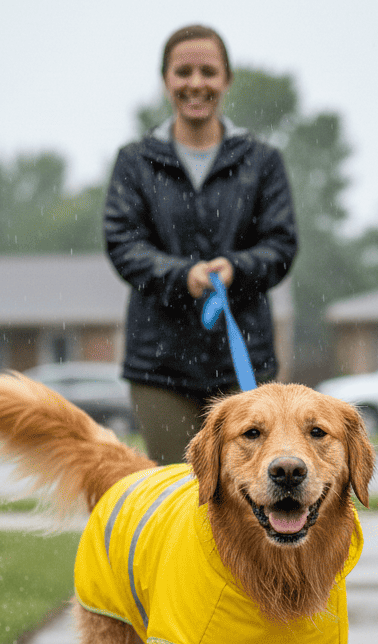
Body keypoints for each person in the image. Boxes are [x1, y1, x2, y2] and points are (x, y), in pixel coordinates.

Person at [104, 24, 298, 464]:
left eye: (208, 72)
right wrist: (180, 275)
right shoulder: (135, 162)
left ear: (226, 79)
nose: (196, 83)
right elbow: (123, 243)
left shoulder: (262, 161)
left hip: (244, 360)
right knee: (178, 495)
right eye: (183, 71)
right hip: (160, 367)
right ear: (166, 80)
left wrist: (236, 268)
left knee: (250, 498)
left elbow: (281, 244)